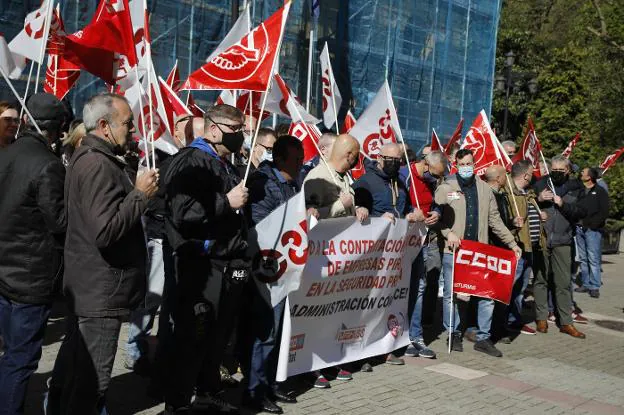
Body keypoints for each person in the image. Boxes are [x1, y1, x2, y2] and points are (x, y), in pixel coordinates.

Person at [45, 93, 159, 414]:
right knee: (90, 385)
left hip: (91, 286)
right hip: (100, 293)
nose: (133, 129)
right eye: (128, 123)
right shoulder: (97, 164)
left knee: (70, 377)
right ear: (105, 126)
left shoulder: (95, 157)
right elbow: (105, 231)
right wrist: (139, 195)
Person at [163, 104, 248, 414]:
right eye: (235, 130)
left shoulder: (225, 164)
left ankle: (207, 391)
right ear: (214, 130)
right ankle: (177, 402)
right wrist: (226, 201)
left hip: (227, 262)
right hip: (201, 263)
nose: (241, 136)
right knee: (193, 336)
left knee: (217, 336)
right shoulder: (191, 161)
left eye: (242, 130)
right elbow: (183, 213)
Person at [0, 93, 67, 415]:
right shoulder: (47, 164)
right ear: (54, 130)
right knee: (20, 359)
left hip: (7, 269)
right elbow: (59, 220)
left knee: (11, 354)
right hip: (30, 275)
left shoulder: (7, 153)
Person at [244, 136, 315, 414]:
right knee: (264, 333)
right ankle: (254, 392)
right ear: (282, 158)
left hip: (284, 268)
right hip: (266, 269)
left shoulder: (293, 182)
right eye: (297, 159)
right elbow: (262, 223)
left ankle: (270, 385)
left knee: (276, 333)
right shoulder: (262, 182)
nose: (301, 164)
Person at [354, 143, 439, 361]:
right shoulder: (366, 181)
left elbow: (404, 208)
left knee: (388, 301)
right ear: (380, 158)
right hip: (375, 253)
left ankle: (385, 347)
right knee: (372, 300)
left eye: (399, 160)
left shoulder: (399, 182)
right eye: (392, 159)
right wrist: (376, 219)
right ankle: (364, 352)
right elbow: (357, 214)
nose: (396, 164)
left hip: (396, 251)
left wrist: (412, 214)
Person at [435, 149, 521, 357]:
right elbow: (436, 215)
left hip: (478, 252)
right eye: (462, 164)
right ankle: (453, 333)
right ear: (456, 164)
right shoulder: (448, 187)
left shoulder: (484, 189)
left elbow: (494, 220)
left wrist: (511, 243)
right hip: (455, 250)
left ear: (475, 164)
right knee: (452, 295)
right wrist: (448, 233)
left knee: (486, 295)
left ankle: (483, 338)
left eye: (470, 163)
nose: (467, 167)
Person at [302, 133, 368, 385]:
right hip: (322, 259)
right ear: (349, 155)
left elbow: (346, 209)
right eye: (356, 155)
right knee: (317, 315)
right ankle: (313, 368)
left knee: (334, 313)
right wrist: (342, 206)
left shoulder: (344, 178)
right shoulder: (318, 177)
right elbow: (310, 220)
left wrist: (358, 209)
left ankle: (331, 360)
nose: (357, 160)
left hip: (341, 259)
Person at [534, 155, 587, 338]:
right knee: (541, 280)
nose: (556, 173)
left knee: (563, 283)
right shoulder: (540, 183)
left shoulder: (576, 187)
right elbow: (528, 205)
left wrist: (563, 204)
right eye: (553, 170)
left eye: (560, 170)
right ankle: (541, 317)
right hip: (542, 239)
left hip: (563, 241)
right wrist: (539, 199)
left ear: (568, 170)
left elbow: (581, 212)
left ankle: (566, 322)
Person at [402, 151, 446, 358]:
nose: (437, 180)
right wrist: (411, 211)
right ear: (425, 164)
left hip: (423, 241)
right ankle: (400, 337)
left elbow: (435, 202)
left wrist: (436, 212)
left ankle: (415, 335)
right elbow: (396, 204)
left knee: (419, 288)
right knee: (402, 289)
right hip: (402, 243)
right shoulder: (405, 175)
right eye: (436, 175)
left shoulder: (432, 182)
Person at [503, 160, 550, 337]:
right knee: (511, 286)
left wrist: (540, 215)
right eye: (532, 172)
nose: (534, 175)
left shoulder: (528, 193)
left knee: (520, 288)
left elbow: (529, 212)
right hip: (517, 248)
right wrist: (512, 222)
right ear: (525, 175)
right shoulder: (508, 192)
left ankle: (514, 320)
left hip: (530, 247)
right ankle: (503, 322)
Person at [303, 134, 368, 221]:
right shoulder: (317, 175)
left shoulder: (343, 174)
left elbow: (347, 207)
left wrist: (357, 209)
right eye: (336, 147)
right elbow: (310, 216)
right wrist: (340, 205)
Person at [575, 167, 609, 298]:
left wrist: (593, 225)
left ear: (589, 177)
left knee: (593, 258)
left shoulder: (600, 191)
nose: (580, 174)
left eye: (583, 172)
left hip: (592, 230)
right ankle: (586, 284)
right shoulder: (581, 191)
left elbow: (604, 211)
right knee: (583, 258)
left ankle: (595, 286)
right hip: (579, 229)